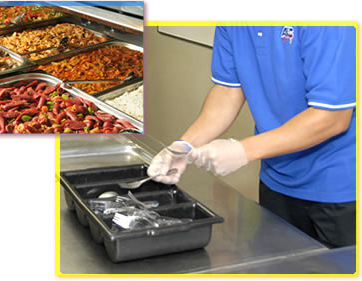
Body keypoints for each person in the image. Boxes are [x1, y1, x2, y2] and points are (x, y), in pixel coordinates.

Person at [147, 26, 356, 248]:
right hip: (277, 176)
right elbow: (229, 90)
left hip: (341, 185)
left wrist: (243, 151)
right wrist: (185, 145)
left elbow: (332, 117)